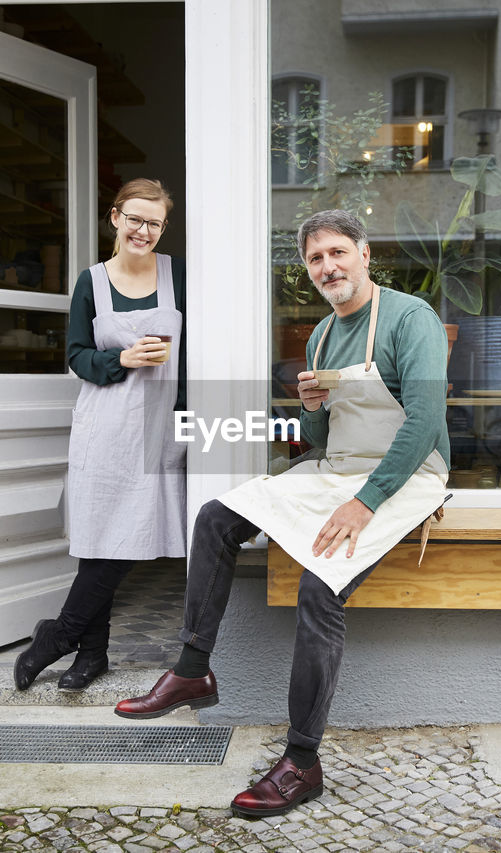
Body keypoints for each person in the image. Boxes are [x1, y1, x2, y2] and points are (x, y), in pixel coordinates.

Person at [114, 209, 449, 817]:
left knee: (321, 588)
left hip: (408, 476)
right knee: (217, 517)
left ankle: (301, 762)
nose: (328, 267)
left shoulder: (410, 319)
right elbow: (322, 437)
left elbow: (424, 423)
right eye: (316, 259)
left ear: (364, 254)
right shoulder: (320, 336)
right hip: (338, 469)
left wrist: (364, 502)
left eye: (337, 253)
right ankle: (193, 669)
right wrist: (311, 406)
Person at [14, 178, 187, 692]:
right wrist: (123, 358)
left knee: (128, 536)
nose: (144, 230)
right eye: (135, 218)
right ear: (115, 217)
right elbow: (75, 355)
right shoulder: (92, 281)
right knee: (102, 539)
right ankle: (90, 654)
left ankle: (58, 636)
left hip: (157, 427)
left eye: (154, 222)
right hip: (106, 423)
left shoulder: (179, 277)